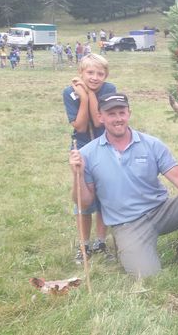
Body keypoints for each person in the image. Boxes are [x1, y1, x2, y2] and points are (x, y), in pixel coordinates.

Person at [68, 93, 178, 277]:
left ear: (129, 113)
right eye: (111, 114)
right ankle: (127, 245)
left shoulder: (152, 144)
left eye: (121, 113)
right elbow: (84, 203)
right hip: (128, 224)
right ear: (100, 117)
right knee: (148, 276)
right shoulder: (87, 154)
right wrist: (77, 175)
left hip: (162, 211)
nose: (118, 119)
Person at [63, 54, 117, 264]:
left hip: (105, 145)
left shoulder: (109, 89)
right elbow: (80, 126)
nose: (95, 77)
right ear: (80, 73)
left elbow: (99, 120)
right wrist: (82, 98)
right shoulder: (69, 93)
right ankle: (84, 245)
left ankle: (101, 242)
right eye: (90, 73)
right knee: (83, 197)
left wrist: (89, 95)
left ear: (106, 75)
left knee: (103, 195)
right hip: (82, 147)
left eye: (100, 74)